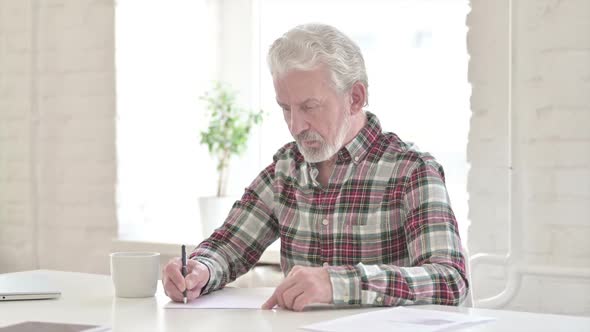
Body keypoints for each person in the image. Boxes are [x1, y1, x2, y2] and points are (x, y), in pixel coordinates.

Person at [162, 23, 469, 311]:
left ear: (355, 97)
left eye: (309, 107)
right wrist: (199, 268)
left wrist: (339, 284)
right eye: (286, 108)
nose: (295, 125)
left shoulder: (411, 170)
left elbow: (449, 280)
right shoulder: (285, 168)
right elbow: (229, 246)